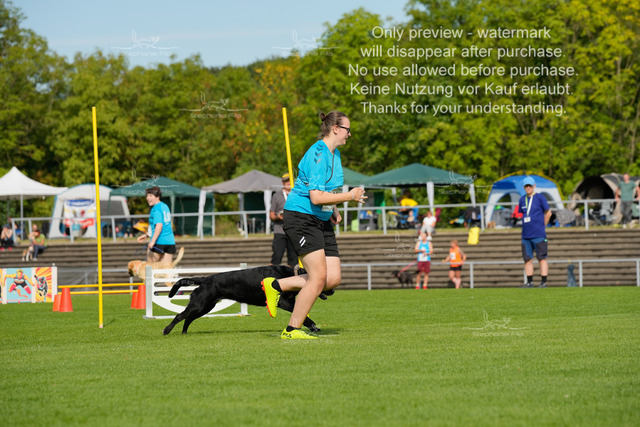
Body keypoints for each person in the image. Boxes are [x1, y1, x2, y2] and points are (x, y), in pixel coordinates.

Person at [261, 110, 366, 339]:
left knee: (332, 278)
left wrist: (333, 209)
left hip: (320, 218)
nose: (350, 134)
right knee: (317, 278)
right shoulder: (318, 153)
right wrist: (349, 196)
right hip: (301, 218)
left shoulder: (335, 154)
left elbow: (327, 191)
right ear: (335, 129)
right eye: (348, 129)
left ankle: (276, 286)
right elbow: (316, 197)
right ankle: (292, 330)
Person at [519, 176, 552, 288]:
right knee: (527, 259)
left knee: (542, 258)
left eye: (530, 185)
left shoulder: (540, 198)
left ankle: (543, 282)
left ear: (534, 186)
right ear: (524, 187)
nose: (528, 187)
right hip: (526, 235)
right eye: (526, 186)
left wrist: (543, 225)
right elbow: (523, 214)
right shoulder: (522, 199)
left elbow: (548, 213)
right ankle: (529, 282)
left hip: (538, 234)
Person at [137, 186, 176, 263]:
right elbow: (163, 225)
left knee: (150, 268)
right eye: (147, 196)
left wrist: (153, 241)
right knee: (165, 269)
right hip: (170, 242)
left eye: (151, 196)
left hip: (159, 242)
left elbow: (159, 226)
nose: (148, 198)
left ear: (158, 196)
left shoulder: (156, 209)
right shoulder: (165, 206)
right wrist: (147, 235)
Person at [269, 173, 297, 267]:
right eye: (286, 181)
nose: (288, 183)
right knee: (277, 256)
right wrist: (278, 217)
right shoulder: (276, 195)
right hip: (280, 230)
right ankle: (271, 274)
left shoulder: (297, 194)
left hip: (294, 230)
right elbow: (271, 215)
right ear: (282, 183)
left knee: (293, 259)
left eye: (290, 180)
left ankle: (291, 275)